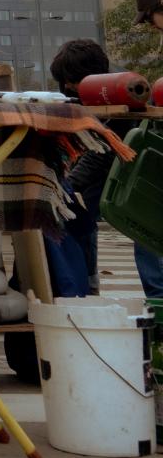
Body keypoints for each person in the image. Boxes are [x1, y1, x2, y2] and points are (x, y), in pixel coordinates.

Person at [53, 18, 163, 301]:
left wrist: (67, 185)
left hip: (134, 186)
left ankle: (155, 303)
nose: (68, 86)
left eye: (71, 81)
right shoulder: (94, 98)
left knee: (147, 240)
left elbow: (100, 153)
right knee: (77, 214)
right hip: (111, 184)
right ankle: (86, 285)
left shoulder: (117, 96)